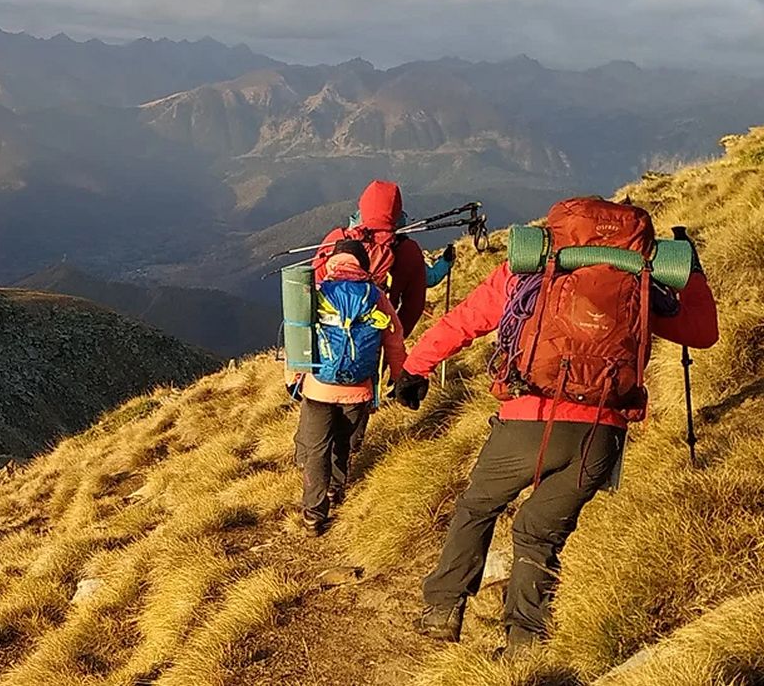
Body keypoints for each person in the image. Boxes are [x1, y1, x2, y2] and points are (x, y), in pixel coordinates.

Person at [390, 197, 719, 653]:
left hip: (529, 417)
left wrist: (415, 370)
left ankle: (443, 608)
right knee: (539, 533)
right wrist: (695, 274)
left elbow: (464, 322)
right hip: (600, 432)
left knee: (478, 508)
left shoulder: (531, 271)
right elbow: (703, 333)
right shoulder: (638, 281)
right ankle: (525, 641)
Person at [296, 239, 406, 535]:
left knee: (316, 450)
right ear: (363, 265)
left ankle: (313, 515)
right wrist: (399, 377)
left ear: (333, 262)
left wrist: (294, 376)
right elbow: (394, 339)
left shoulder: (318, 293)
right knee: (343, 441)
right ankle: (335, 489)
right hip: (359, 388)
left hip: (319, 386)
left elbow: (298, 334)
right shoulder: (375, 296)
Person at [312, 181, 436, 339]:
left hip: (329, 336)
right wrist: (393, 340)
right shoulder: (408, 251)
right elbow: (413, 307)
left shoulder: (337, 240)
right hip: (376, 337)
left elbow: (313, 285)